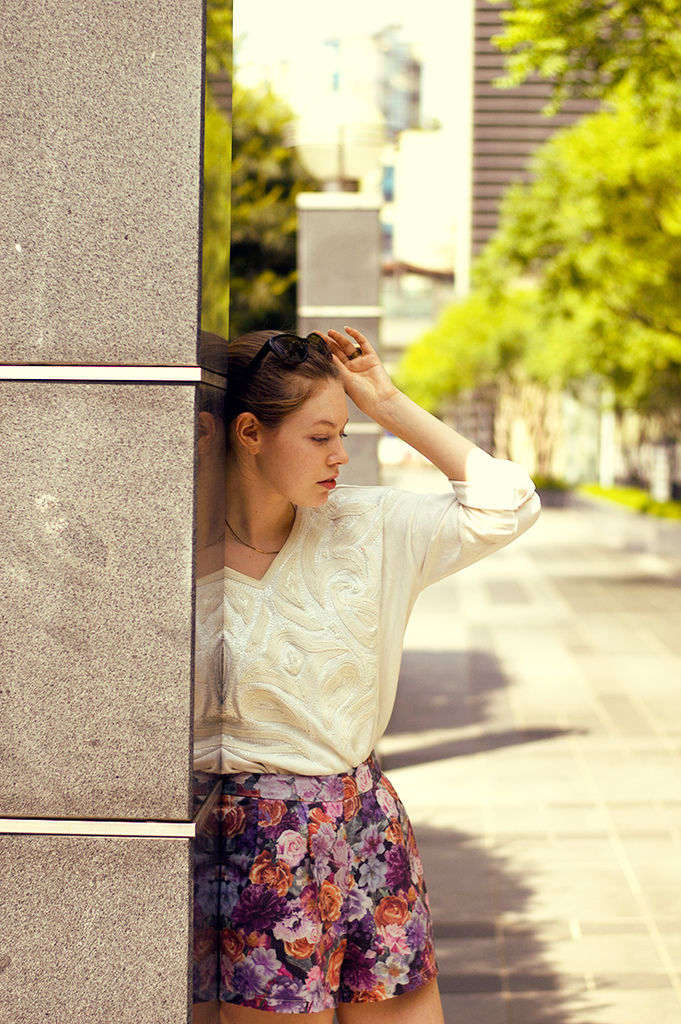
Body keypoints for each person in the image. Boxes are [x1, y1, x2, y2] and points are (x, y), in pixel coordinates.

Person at [192, 326, 541, 1023]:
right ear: (251, 433)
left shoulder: (369, 527)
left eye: (344, 432)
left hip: (364, 826)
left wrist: (384, 400)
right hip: (247, 852)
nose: (340, 455)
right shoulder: (176, 557)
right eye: (320, 436)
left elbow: (507, 503)